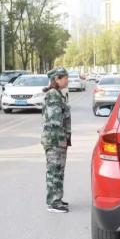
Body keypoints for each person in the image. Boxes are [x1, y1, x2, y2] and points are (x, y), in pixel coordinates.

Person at [42, 67, 71, 213]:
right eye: (65, 77)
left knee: (59, 170)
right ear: (57, 79)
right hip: (54, 139)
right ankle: (53, 203)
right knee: (54, 170)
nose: (67, 80)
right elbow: (55, 120)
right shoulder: (53, 95)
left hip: (58, 139)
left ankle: (57, 198)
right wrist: (61, 139)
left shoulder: (58, 94)